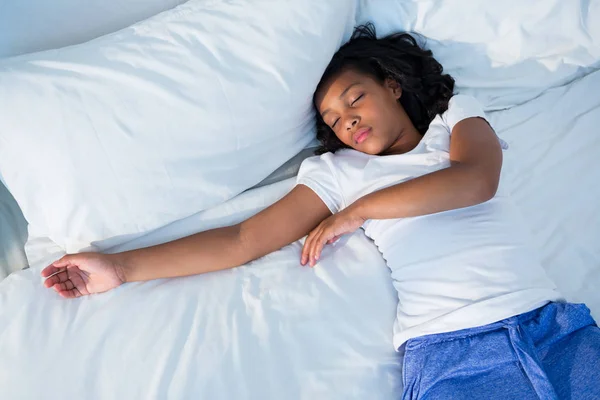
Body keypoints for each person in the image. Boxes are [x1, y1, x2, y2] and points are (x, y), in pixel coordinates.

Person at [41, 24, 600, 399]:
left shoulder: (456, 120)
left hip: (553, 326)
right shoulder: (339, 176)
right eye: (332, 121)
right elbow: (242, 240)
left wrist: (355, 215)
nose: (346, 122)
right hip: (455, 350)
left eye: (353, 99)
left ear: (392, 85)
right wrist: (120, 267)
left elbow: (475, 181)